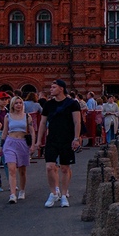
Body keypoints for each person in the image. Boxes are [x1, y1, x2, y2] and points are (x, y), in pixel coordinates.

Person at [38, 79, 81, 208]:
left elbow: (77, 122)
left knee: (64, 168)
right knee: (49, 167)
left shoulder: (72, 104)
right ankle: (53, 192)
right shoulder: (48, 105)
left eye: (53, 87)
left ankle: (63, 195)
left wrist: (76, 138)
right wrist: (38, 140)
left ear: (61, 88)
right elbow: (42, 123)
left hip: (66, 139)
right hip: (52, 138)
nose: (51, 89)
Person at [1, 96, 31, 203]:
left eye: (20, 103)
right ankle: (12, 194)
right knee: (12, 169)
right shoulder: (8, 116)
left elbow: (32, 131)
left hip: (22, 143)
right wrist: (1, 146)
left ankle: (22, 190)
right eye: (16, 103)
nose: (18, 105)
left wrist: (33, 145)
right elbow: (5, 131)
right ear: (12, 105)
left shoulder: (27, 116)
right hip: (10, 143)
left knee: (22, 170)